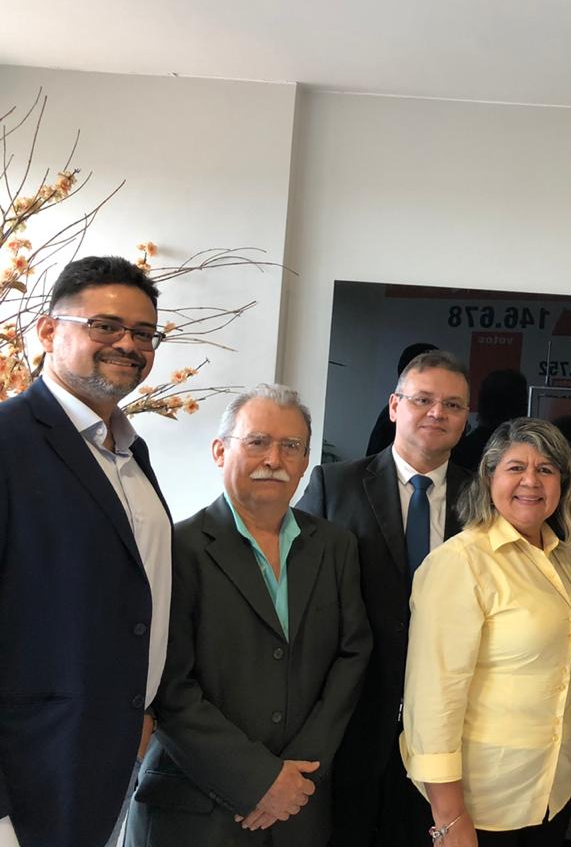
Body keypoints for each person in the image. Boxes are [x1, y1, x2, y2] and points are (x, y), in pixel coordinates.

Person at [127, 384, 371, 846]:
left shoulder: (336, 547)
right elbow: (169, 685)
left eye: (291, 446)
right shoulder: (176, 549)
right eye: (257, 441)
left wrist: (297, 775)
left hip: (300, 806)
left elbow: (352, 657)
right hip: (196, 811)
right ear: (220, 451)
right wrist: (258, 780)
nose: (274, 459)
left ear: (305, 461)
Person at [0, 256, 172, 847]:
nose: (128, 344)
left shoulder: (130, 454)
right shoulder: (8, 442)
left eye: (144, 333)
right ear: (49, 331)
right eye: (105, 326)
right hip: (24, 776)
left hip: (102, 764)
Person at [297, 349, 472, 846]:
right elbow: (302, 592)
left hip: (446, 724)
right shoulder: (335, 485)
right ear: (395, 406)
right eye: (423, 399)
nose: (437, 413)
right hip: (353, 712)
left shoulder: (483, 497)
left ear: (466, 418)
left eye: (453, 405)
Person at [400, 417, 571, 846]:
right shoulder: (460, 563)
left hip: (553, 794)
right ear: (489, 477)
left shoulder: (567, 561)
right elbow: (433, 701)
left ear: (563, 484)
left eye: (546, 469)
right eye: (515, 468)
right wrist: (450, 818)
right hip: (481, 804)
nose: (531, 481)